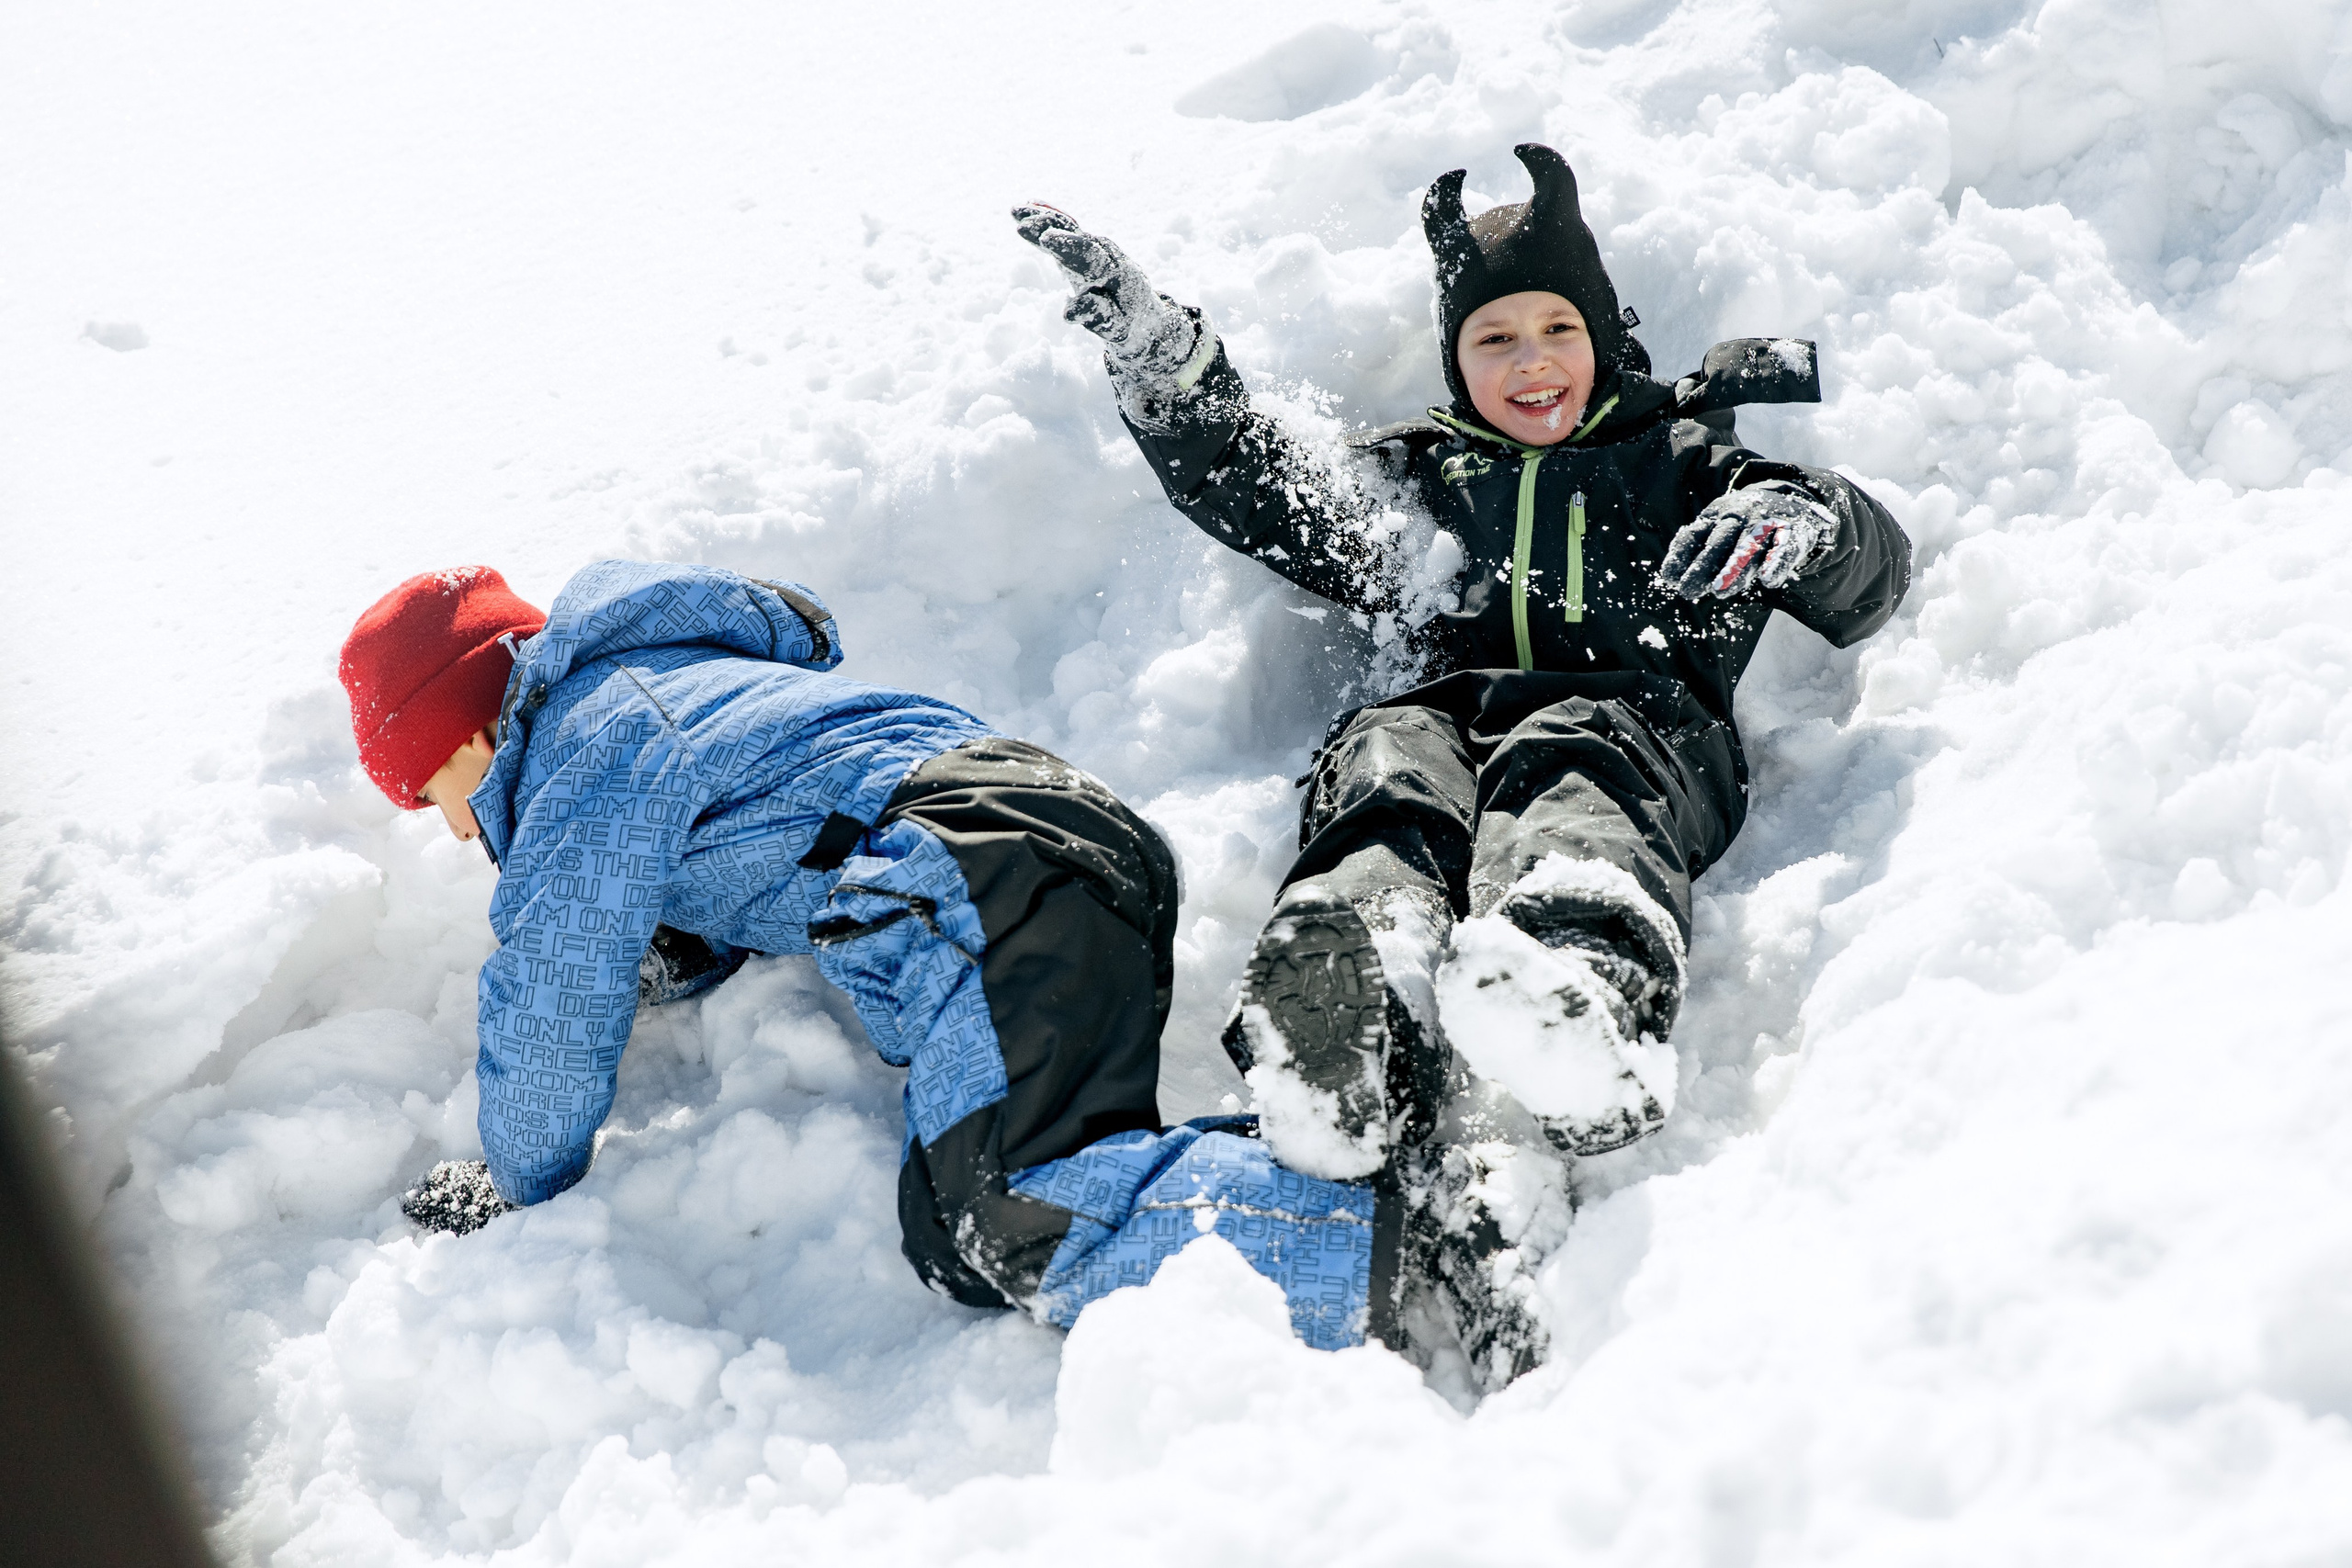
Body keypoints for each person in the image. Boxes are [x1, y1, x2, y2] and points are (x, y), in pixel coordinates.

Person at [1016, 142, 1912, 1387]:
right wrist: (1170, 369)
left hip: (1637, 733)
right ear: (1456, 361)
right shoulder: (1421, 480)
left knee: (1570, 755)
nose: (1530, 360)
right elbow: (1259, 484)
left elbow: (1870, 581)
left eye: (1557, 328)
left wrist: (1805, 523)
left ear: (1604, 338)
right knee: (1386, 758)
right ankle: (1349, 988)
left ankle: (1580, 978)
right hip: (1442, 716)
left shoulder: (1682, 465)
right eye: (1494, 338)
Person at [339, 558, 1529, 1365]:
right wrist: (677, 959)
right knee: (975, 1220)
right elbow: (751, 846)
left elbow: (554, 987)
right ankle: (1338, 1157)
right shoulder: (665, 697)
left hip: (972, 870)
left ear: (471, 729)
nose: (453, 830)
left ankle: (1417, 1233)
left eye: (435, 793)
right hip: (1050, 844)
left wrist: (517, 1175)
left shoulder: (583, 748)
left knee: (1009, 1211)